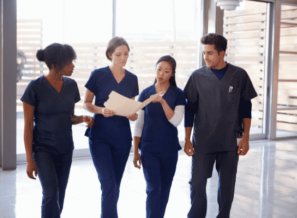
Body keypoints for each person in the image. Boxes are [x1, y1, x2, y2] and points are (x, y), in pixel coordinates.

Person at [184, 33, 257, 218]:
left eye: (210, 53)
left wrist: (245, 138)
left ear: (222, 53)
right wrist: (186, 139)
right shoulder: (197, 76)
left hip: (229, 143)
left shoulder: (239, 75)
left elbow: (245, 109)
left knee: (227, 187)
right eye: (204, 53)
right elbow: (189, 109)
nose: (206, 57)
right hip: (203, 141)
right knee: (197, 183)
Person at [21, 43, 94, 218]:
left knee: (59, 196)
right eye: (69, 62)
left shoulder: (71, 86)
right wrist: (29, 160)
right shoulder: (34, 87)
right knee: (51, 194)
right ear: (54, 65)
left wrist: (82, 118)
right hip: (43, 149)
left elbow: (69, 117)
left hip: (65, 149)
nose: (73, 66)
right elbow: (28, 126)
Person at [83, 37, 139, 218]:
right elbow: (86, 103)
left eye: (126, 54)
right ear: (110, 55)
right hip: (100, 136)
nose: (123, 58)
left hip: (122, 139)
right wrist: (101, 110)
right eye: (118, 54)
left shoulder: (132, 79)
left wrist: (133, 114)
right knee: (108, 184)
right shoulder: (97, 75)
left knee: (115, 185)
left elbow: (131, 107)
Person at [133, 55, 185, 218]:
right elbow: (139, 124)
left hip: (169, 150)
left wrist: (162, 102)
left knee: (164, 190)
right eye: (159, 69)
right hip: (149, 149)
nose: (161, 73)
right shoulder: (145, 93)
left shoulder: (178, 94)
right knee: (153, 189)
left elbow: (176, 121)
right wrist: (135, 151)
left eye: (166, 71)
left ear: (172, 74)